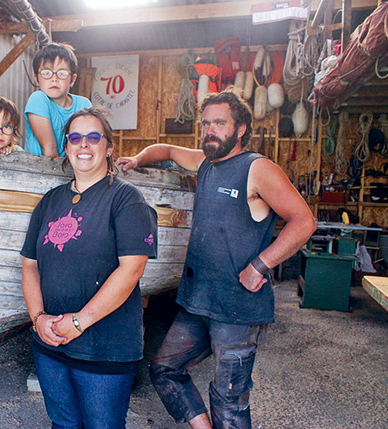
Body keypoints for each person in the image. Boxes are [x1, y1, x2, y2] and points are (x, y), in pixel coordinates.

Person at [116, 89, 316, 429]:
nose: (210, 130)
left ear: (239, 129)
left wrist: (261, 264)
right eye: (206, 123)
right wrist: (136, 160)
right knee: (164, 369)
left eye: (219, 123)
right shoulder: (206, 164)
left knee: (229, 401)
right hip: (198, 302)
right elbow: (164, 149)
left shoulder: (257, 168)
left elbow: (305, 221)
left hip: (238, 308)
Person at [20, 106, 158, 428]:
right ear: (66, 147)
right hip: (51, 343)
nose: (84, 144)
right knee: (63, 424)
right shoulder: (50, 201)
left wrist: (79, 323)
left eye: (93, 137)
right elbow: (29, 266)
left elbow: (131, 270)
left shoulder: (127, 199)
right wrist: (38, 319)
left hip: (104, 349)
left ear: (109, 148)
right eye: (76, 137)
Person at [24, 42, 92, 157]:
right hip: (39, 170)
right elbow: (50, 150)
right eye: (46, 73)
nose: (54, 79)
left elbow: (87, 145)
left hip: (73, 169)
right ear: (36, 78)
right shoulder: (38, 99)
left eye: (62, 73)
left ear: (72, 79)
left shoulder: (83, 105)